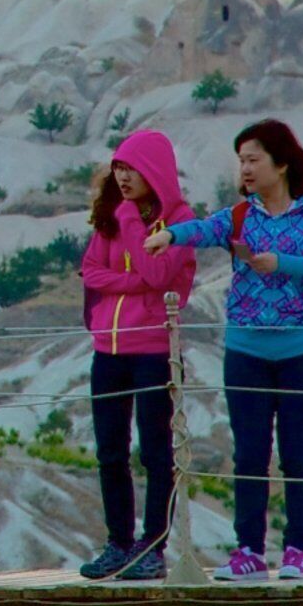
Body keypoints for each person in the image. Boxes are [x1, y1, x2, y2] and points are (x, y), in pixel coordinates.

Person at [147, 116, 303, 580]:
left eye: (253, 159)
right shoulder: (240, 217)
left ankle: (298, 549)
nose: (245, 169)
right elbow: (202, 228)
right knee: (250, 452)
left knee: (297, 450)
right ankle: (249, 551)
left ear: (281, 164)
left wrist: (283, 263)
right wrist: (169, 236)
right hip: (246, 350)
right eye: (240, 161)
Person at [77, 128, 197, 580]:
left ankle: (153, 546)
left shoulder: (178, 221)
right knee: (110, 451)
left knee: (157, 453)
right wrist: (134, 282)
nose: (123, 177)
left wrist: (130, 222)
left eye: (132, 169)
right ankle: (118, 543)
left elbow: (157, 269)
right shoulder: (112, 216)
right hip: (107, 350)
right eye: (119, 168)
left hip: (151, 350)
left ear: (156, 171)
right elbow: (91, 272)